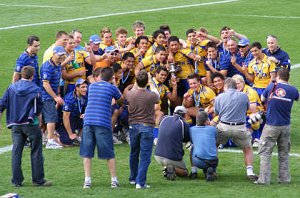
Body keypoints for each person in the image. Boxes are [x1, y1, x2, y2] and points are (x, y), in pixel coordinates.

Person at [0, 66, 52, 187]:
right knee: (36, 151)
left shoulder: (11, 87)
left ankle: (16, 181)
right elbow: (38, 109)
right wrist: (39, 123)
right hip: (30, 124)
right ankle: (38, 180)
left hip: (15, 125)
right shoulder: (35, 89)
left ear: (21, 75)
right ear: (32, 76)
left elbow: (1, 106)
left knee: (16, 152)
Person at [80, 67, 122, 189]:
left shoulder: (92, 86)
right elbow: (121, 100)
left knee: (87, 153)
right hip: (102, 122)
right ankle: (114, 180)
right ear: (111, 77)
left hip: (88, 121)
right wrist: (114, 84)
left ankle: (87, 180)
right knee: (109, 152)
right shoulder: (112, 87)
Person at [256, 68, 299, 185]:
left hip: (271, 125)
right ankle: (284, 179)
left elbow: (262, 99)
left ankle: (264, 180)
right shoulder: (293, 90)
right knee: (284, 153)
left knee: (265, 153)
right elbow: (298, 98)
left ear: (278, 76)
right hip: (285, 126)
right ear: (288, 78)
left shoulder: (271, 87)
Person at [214, 78, 258, 181]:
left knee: (214, 145)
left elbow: (216, 112)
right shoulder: (243, 95)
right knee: (247, 148)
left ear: (226, 86)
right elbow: (247, 108)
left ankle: (213, 169)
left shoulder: (220, 97)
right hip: (240, 127)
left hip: (223, 127)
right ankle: (250, 171)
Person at [125, 70, 160, 189]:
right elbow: (157, 94)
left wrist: (139, 80)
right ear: (147, 82)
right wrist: (151, 81)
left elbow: (134, 88)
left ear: (136, 81)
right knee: (145, 156)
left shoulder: (130, 94)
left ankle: (133, 178)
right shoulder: (151, 95)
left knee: (134, 153)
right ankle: (140, 182)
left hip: (133, 126)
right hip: (146, 126)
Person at [40, 46, 66, 149]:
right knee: (51, 118)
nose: (61, 57)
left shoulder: (58, 65)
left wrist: (58, 94)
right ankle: (50, 141)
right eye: (59, 55)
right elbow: (46, 84)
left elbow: (58, 82)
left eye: (62, 55)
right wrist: (55, 97)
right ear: (53, 54)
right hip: (47, 96)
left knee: (49, 117)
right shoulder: (47, 67)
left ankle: (45, 138)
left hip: (53, 95)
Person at [154, 106, 190, 180]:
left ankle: (166, 169)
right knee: (185, 172)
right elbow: (186, 139)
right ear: (184, 115)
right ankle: (172, 168)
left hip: (157, 155)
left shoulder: (164, 118)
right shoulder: (183, 124)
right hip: (171, 158)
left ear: (173, 113)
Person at [56, 78, 88, 146]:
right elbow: (65, 117)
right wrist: (70, 134)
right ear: (77, 88)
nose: (85, 89)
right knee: (67, 141)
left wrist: (85, 114)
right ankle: (53, 135)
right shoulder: (70, 99)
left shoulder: (84, 96)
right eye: (83, 87)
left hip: (76, 117)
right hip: (64, 120)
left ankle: (79, 137)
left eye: (86, 87)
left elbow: (87, 107)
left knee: (89, 118)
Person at [190, 111, 218, 181]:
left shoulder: (192, 129)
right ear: (207, 121)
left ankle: (194, 172)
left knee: (193, 148)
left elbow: (191, 141)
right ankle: (211, 170)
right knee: (213, 145)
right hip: (214, 161)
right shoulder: (213, 129)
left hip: (199, 161)